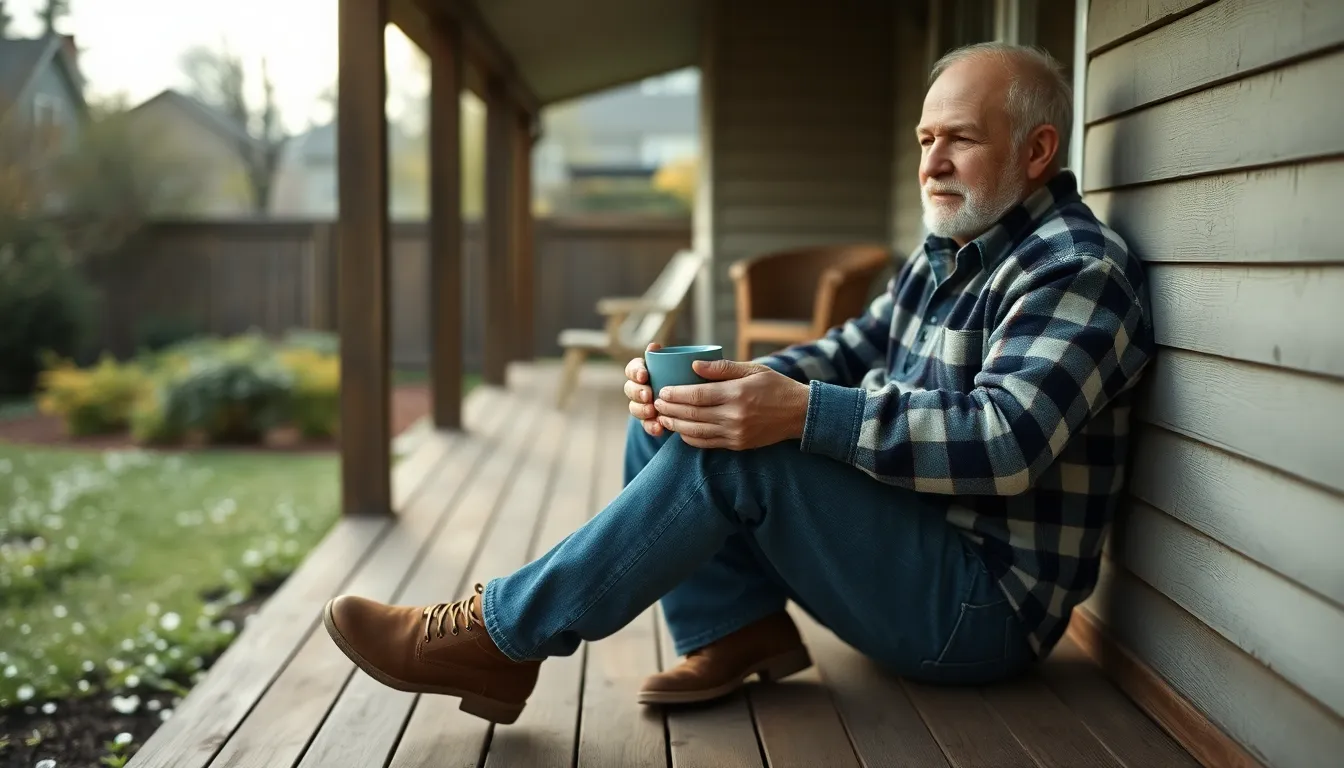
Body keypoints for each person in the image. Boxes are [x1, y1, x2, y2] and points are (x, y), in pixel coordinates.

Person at [320, 41, 1155, 725]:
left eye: (960, 139)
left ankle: (499, 636)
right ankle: (736, 628)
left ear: (1038, 150)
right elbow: (846, 350)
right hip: (910, 549)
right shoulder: (950, 254)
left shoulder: (1075, 271)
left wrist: (794, 412)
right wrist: (721, 385)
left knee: (740, 453)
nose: (932, 162)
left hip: (979, 611)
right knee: (680, 419)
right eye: (924, 140)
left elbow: (1004, 441)